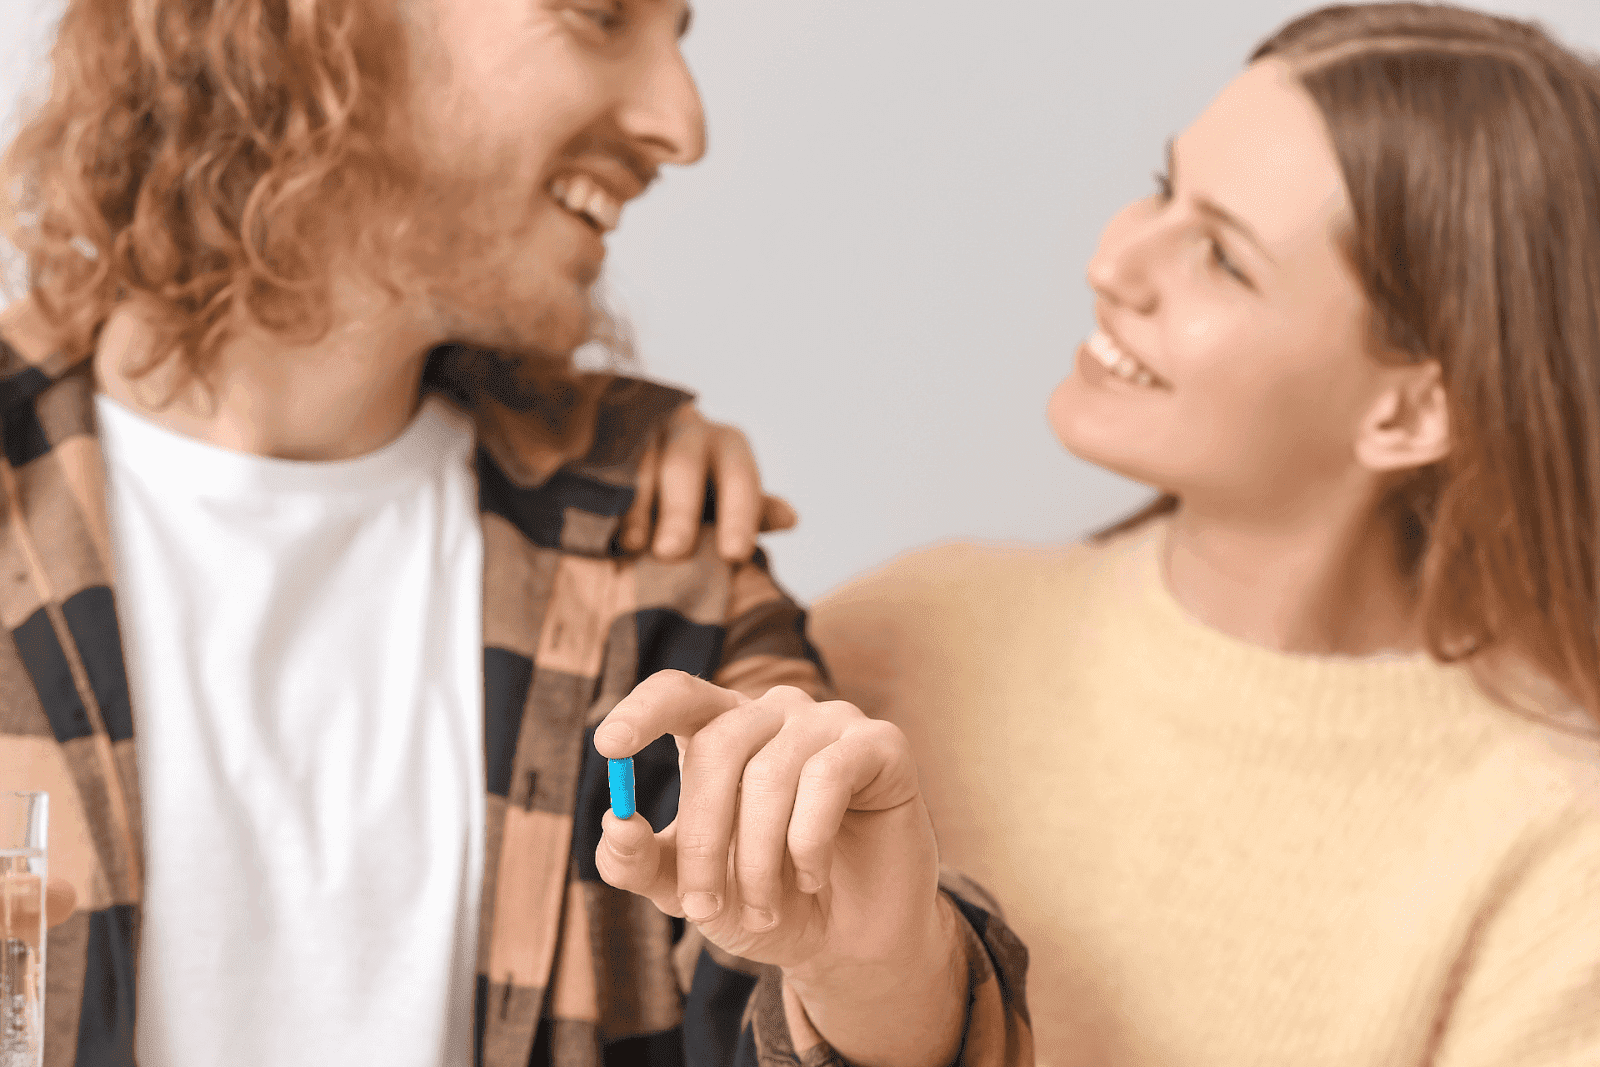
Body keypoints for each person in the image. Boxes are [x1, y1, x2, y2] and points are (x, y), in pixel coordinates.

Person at [0, 1, 1030, 1065]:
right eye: (599, 15)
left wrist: (879, 974)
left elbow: (813, 969)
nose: (684, 122)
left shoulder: (653, 545)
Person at [743, 1, 1595, 1063]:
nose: (1116, 262)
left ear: (1410, 413)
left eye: (1221, 258)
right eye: (1161, 189)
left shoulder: (1558, 853)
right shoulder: (904, 639)